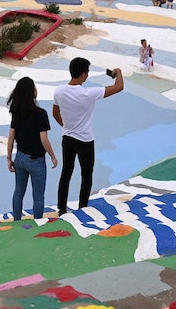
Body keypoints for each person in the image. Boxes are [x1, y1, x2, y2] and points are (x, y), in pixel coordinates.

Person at [52, 58, 124, 215]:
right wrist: (118, 73)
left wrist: (65, 126)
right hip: (85, 140)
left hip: (68, 138)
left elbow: (55, 113)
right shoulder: (88, 93)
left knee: (66, 173)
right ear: (84, 74)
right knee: (86, 175)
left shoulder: (59, 91)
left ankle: (62, 209)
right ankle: (82, 207)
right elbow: (119, 87)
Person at [6, 77, 58, 220]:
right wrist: (53, 156)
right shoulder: (41, 114)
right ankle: (38, 223)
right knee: (38, 196)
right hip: (36, 161)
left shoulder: (17, 113)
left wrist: (9, 158)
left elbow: (11, 138)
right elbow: (44, 139)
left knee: (18, 193)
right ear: (32, 92)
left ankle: (16, 220)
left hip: (20, 158)